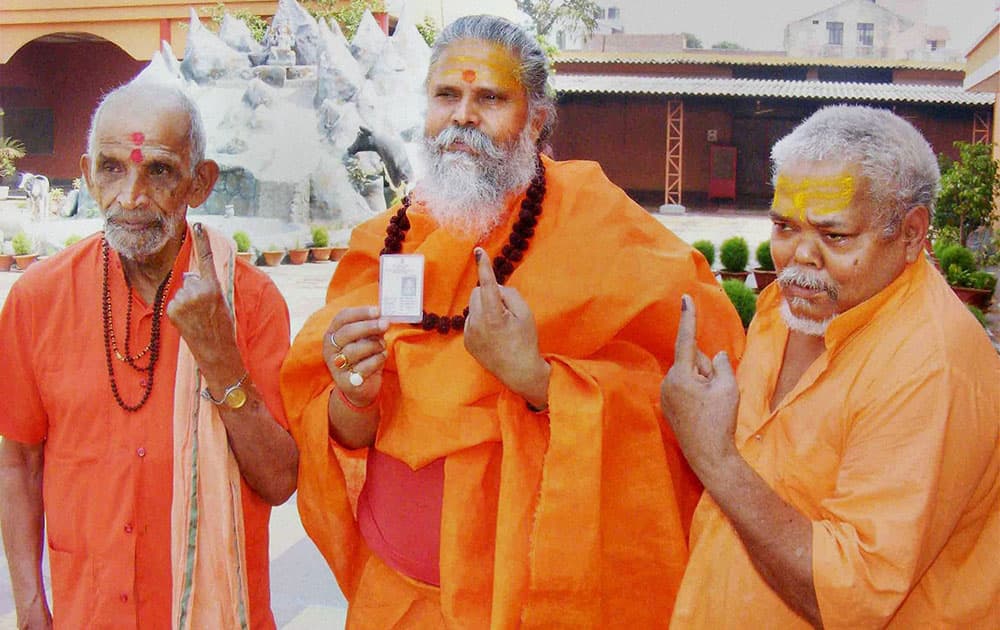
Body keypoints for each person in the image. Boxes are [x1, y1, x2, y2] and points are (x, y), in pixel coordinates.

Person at [280, 14, 745, 628]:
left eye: (490, 98)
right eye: (447, 95)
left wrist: (535, 378)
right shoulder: (392, 236)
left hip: (534, 607)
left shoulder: (600, 228)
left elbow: (693, 401)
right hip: (392, 600)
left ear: (537, 119)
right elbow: (337, 427)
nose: (463, 116)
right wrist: (353, 396)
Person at [662, 105, 1000, 628]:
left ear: (912, 234)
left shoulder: (931, 367)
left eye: (835, 236)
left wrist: (715, 459)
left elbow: (847, 598)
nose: (800, 257)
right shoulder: (789, 305)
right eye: (783, 226)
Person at [0, 82, 298, 629]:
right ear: (88, 175)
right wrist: (28, 604)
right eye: (113, 169)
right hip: (84, 612)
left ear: (200, 182)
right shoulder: (37, 299)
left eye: (158, 171)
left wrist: (220, 359)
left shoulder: (249, 301)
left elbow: (279, 481)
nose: (132, 196)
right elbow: (18, 462)